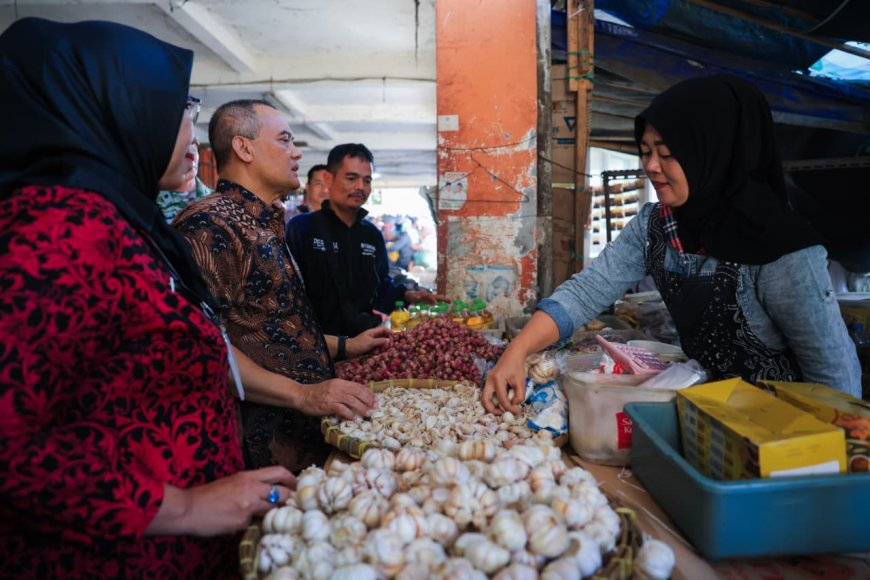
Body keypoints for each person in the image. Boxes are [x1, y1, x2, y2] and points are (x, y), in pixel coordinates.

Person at [0, 19, 294, 577]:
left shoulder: (118, 217)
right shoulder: (61, 228)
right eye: (182, 105)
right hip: (112, 557)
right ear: (119, 108)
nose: (190, 127)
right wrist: (181, 505)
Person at [483, 74, 862, 414]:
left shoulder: (783, 248)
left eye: (667, 153)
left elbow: (832, 369)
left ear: (713, 154)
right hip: (705, 417)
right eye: (646, 152)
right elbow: (587, 291)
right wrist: (516, 351)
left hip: (786, 434)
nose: (651, 166)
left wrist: (836, 464)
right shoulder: (655, 225)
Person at [173, 102, 389, 472]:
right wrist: (304, 394)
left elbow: (269, 326)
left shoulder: (265, 223)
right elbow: (205, 349)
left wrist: (343, 347)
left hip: (300, 438)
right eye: (285, 140)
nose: (298, 152)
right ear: (244, 149)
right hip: (255, 446)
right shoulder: (210, 226)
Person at [286, 143, 448, 336]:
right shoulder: (302, 227)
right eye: (351, 178)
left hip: (365, 342)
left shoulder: (371, 235)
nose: (360, 187)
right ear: (329, 179)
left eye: (367, 180)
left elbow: (379, 291)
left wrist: (407, 295)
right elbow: (287, 294)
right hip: (315, 348)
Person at [156, 136, 213, 222]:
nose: (191, 150)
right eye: (182, 145)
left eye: (194, 145)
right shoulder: (150, 202)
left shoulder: (217, 201)